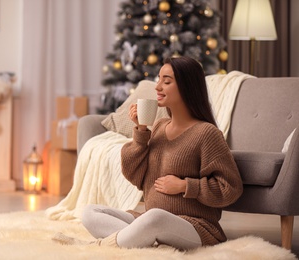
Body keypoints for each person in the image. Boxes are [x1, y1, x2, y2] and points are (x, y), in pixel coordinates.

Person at [53, 56, 243, 250]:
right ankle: (145, 241)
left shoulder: (206, 133)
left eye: (166, 81)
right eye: (158, 79)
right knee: (89, 212)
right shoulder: (159, 127)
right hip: (150, 220)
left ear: (187, 87)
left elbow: (231, 187)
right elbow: (136, 175)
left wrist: (185, 185)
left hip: (195, 227)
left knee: (155, 217)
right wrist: (141, 131)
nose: (158, 86)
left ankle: (99, 245)